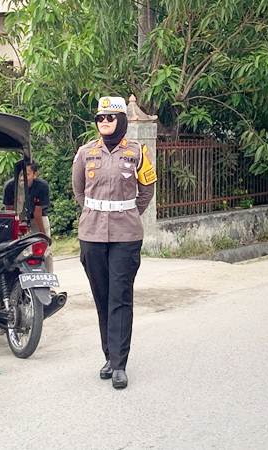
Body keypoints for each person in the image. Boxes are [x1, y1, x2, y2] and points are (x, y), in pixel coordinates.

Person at [71, 96, 156, 390]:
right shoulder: (85, 153)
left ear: (121, 120)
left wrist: (127, 213)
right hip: (92, 234)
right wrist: (96, 213)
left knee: (120, 296)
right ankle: (108, 356)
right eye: (100, 118)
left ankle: (119, 364)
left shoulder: (137, 152)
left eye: (110, 117)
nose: (104, 122)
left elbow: (147, 190)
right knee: (102, 296)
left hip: (126, 235)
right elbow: (79, 191)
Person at [4, 161, 53, 271]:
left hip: (38, 218)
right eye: (20, 175)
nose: (22, 178)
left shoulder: (42, 186)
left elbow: (38, 213)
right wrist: (16, 227)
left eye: (27, 174)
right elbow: (9, 211)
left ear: (35, 175)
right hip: (17, 217)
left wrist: (43, 236)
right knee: (16, 250)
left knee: (45, 251)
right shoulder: (10, 186)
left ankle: (48, 279)